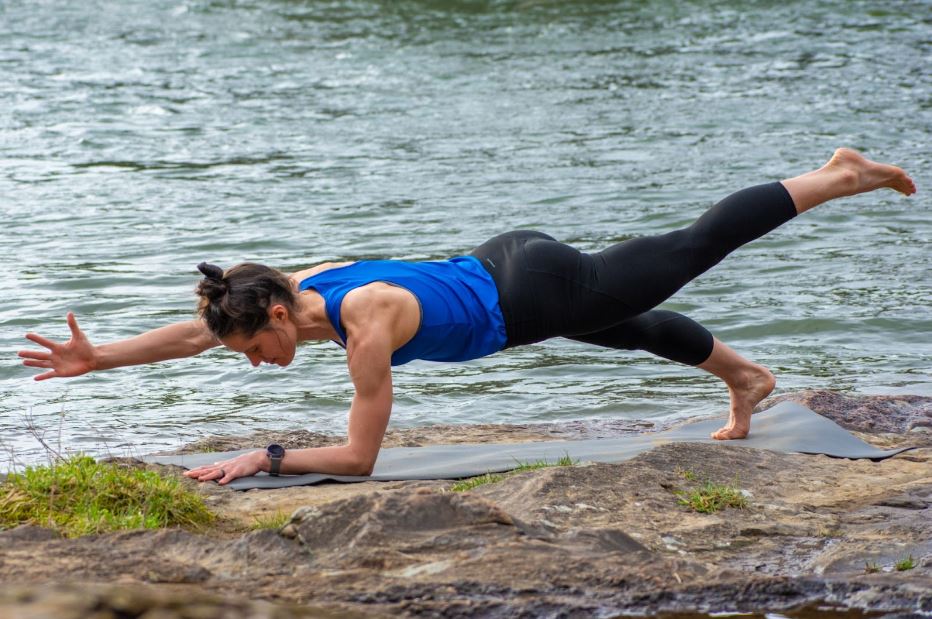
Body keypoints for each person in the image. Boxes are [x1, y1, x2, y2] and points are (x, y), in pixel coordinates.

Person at [19, 149, 916, 485]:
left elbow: (361, 460)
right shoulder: (295, 288)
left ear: (281, 314)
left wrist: (268, 455)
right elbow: (195, 334)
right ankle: (746, 378)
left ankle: (837, 176)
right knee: (629, 321)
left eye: (256, 349)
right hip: (504, 262)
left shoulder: (365, 330)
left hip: (528, 291)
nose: (252, 360)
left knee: (686, 250)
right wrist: (99, 359)